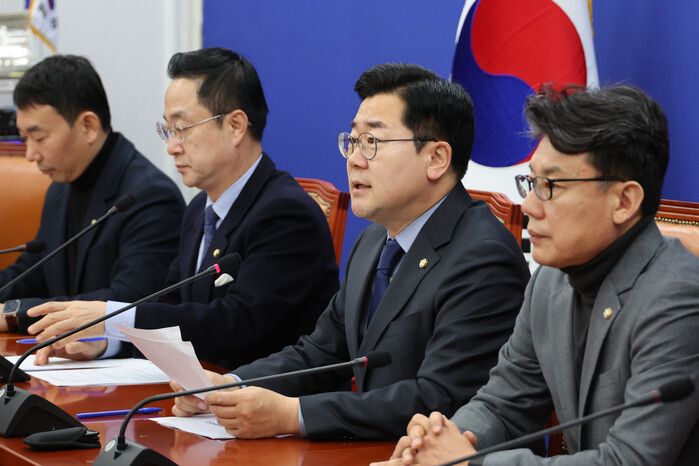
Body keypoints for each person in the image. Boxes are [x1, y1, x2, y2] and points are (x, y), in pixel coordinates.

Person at [169, 63, 530, 440]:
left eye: (372, 142)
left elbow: (439, 398)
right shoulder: (374, 241)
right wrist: (229, 387)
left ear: (436, 158)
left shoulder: (483, 258)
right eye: (353, 142)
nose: (354, 159)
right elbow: (317, 354)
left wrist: (293, 415)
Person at [379, 84, 699, 465]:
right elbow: (501, 406)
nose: (529, 205)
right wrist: (434, 446)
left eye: (550, 186)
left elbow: (629, 461)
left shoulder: (678, 299)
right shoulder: (550, 282)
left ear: (624, 201)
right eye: (531, 182)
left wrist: (469, 462)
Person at [23, 48, 340, 370]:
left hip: (263, 393)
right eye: (167, 131)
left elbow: (235, 323)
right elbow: (172, 303)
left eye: (182, 129)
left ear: (235, 126)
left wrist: (110, 317)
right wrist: (107, 342)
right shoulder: (201, 207)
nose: (172, 147)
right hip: (198, 388)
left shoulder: (285, 214)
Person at [0, 55, 184, 334]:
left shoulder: (150, 197)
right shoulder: (60, 188)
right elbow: (32, 272)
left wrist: (15, 314)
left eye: (39, 138)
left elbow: (130, 300)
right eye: (25, 139)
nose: (30, 154)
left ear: (88, 126)